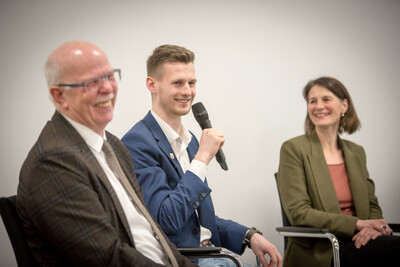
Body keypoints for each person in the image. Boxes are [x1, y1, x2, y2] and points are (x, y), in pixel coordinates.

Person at [16, 41, 196, 267]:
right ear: (60, 96)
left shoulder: (112, 145)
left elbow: (152, 231)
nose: (108, 88)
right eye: (91, 81)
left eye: (110, 76)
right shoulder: (53, 161)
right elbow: (109, 258)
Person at [121, 44, 282, 267]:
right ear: (152, 85)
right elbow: (167, 220)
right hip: (182, 260)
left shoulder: (191, 140)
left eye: (191, 83)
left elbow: (197, 220)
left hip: (213, 254)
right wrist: (202, 158)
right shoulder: (137, 142)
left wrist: (248, 235)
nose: (187, 91)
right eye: (177, 83)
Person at [277, 76, 400, 267]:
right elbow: (299, 213)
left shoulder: (356, 152)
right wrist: (357, 224)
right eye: (312, 101)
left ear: (344, 106)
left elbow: (372, 205)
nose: (318, 106)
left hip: (362, 242)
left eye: (326, 99)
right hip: (324, 249)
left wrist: (374, 228)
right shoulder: (293, 149)